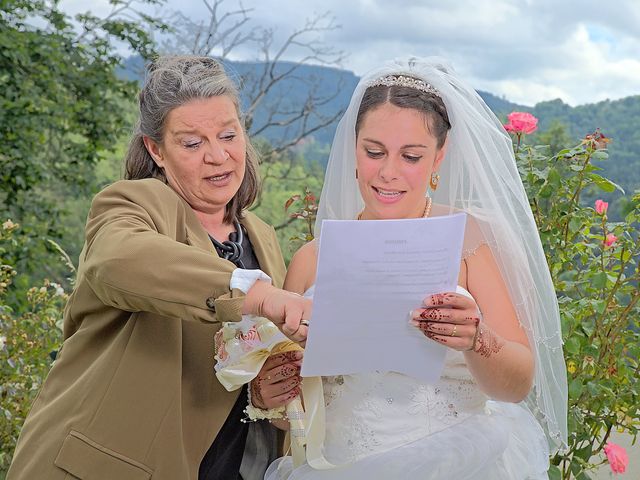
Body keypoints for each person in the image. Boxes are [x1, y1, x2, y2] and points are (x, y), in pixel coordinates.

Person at [7, 55, 310, 480]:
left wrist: (258, 394)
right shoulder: (131, 204)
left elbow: (227, 362)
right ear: (156, 149)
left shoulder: (261, 236)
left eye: (228, 134)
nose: (218, 156)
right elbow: (117, 259)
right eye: (192, 143)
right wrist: (254, 293)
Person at [266, 57, 567, 479]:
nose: (388, 173)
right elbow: (292, 415)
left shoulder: (472, 243)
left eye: (410, 156)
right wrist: (272, 395)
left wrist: (476, 339)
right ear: (353, 148)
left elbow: (516, 386)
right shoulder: (312, 259)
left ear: (439, 156)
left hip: (455, 463)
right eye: (374, 152)